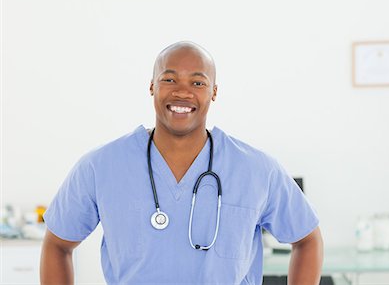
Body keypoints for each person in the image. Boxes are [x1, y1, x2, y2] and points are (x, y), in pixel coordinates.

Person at [40, 41, 323, 285]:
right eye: (169, 79)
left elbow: (307, 239)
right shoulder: (100, 167)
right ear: (152, 86)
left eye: (198, 82)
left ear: (213, 91)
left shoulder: (257, 169)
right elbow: (57, 244)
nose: (183, 92)